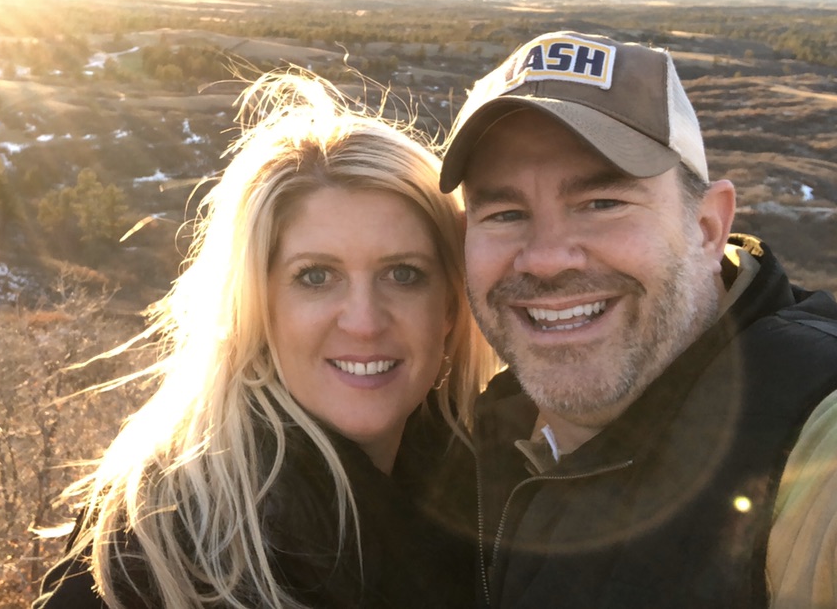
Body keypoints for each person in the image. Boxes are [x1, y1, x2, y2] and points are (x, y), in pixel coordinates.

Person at [438, 31, 837, 608]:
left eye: (603, 203)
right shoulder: (482, 427)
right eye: (504, 213)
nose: (546, 259)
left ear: (707, 228)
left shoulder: (834, 431)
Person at [34, 72, 498, 609]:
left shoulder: (488, 497)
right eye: (316, 276)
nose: (365, 322)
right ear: (256, 306)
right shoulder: (165, 542)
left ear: (450, 305)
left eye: (403, 274)